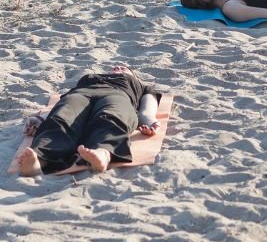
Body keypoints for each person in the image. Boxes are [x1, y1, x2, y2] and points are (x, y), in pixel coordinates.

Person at [15, 63, 167, 176]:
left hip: (117, 95)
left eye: (124, 68)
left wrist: (148, 119)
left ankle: (103, 153)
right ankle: (39, 160)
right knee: (63, 117)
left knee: (111, 116)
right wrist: (41, 119)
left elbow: (148, 105)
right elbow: (61, 106)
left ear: (133, 76)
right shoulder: (89, 79)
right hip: (82, 94)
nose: (118, 68)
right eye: (115, 67)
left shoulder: (138, 85)